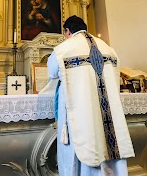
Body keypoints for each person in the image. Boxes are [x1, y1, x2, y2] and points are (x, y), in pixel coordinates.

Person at [47, 15, 135, 176]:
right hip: (106, 112)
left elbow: (52, 72)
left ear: (67, 31)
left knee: (82, 143)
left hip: (82, 112)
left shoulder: (63, 49)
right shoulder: (108, 48)